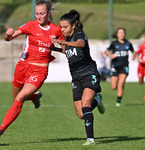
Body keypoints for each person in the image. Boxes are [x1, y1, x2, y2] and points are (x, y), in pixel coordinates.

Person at [0, 0, 63, 138]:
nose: (39, 16)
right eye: (36, 13)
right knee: (15, 98)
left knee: (20, 97)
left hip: (39, 71)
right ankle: (35, 97)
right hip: (22, 66)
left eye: (42, 14)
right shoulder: (30, 25)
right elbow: (8, 39)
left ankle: (0, 130)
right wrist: (8, 34)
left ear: (48, 13)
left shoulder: (56, 30)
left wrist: (62, 47)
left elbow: (64, 47)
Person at [52, 10, 105, 146]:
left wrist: (63, 42)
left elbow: (81, 44)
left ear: (73, 26)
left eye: (65, 27)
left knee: (86, 104)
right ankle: (98, 101)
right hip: (76, 78)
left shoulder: (79, 34)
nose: (62, 30)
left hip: (89, 73)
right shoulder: (66, 40)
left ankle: (90, 139)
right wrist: (53, 48)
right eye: (61, 27)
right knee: (81, 114)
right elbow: (65, 51)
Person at [105, 27, 136, 107]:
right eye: (120, 33)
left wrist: (133, 56)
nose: (121, 34)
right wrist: (111, 55)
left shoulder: (128, 43)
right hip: (114, 67)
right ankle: (120, 87)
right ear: (117, 34)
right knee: (113, 87)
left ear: (125, 34)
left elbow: (133, 52)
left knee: (120, 84)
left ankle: (118, 102)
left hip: (124, 67)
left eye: (123, 32)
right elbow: (106, 51)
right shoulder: (114, 43)